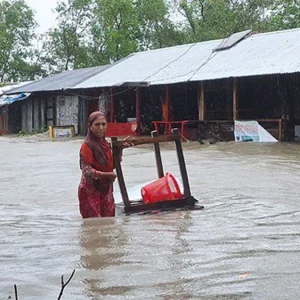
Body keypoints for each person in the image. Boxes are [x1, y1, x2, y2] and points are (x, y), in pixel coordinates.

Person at [78, 111, 132, 218]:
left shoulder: (105, 145)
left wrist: (120, 149)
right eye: (97, 125)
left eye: (104, 124)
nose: (101, 128)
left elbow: (111, 166)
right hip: (90, 191)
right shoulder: (87, 146)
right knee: (93, 225)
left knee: (108, 222)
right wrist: (106, 175)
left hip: (106, 189)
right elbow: (86, 170)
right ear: (90, 127)